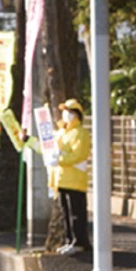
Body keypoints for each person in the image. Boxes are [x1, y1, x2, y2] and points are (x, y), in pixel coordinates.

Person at [49, 98, 92, 255]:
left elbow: (78, 154)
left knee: (76, 213)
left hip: (75, 179)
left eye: (69, 111)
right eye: (65, 111)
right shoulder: (62, 132)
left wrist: (60, 159)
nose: (65, 114)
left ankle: (80, 242)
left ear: (77, 115)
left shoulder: (81, 133)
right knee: (66, 212)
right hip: (62, 178)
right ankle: (69, 240)